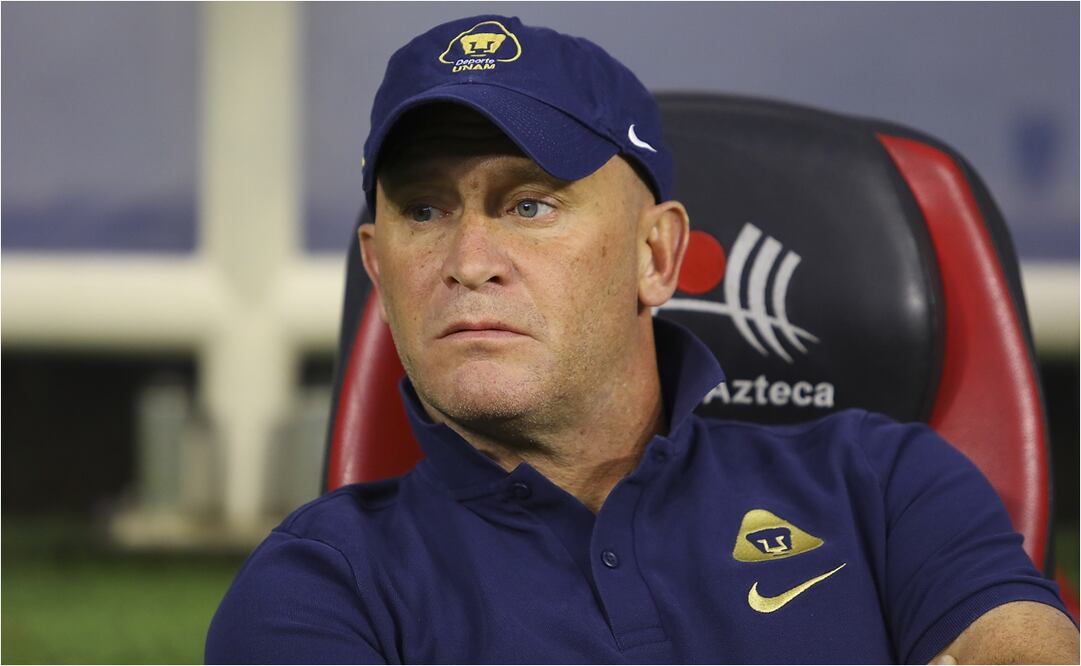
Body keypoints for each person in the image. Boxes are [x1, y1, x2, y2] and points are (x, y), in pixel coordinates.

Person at [206, 15, 1079, 664]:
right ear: (377, 268)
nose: (468, 261)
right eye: (424, 210)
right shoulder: (317, 587)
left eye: (529, 204)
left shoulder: (885, 483)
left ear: (656, 255)